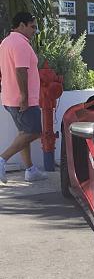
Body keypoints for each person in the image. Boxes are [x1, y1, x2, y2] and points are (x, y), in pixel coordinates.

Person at [0, 12, 48, 184]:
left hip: (9, 97)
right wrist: (24, 96)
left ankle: (30, 170)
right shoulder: (20, 43)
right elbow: (21, 70)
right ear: (21, 25)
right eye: (32, 26)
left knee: (24, 134)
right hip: (23, 99)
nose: (35, 30)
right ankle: (2, 159)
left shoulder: (6, 42)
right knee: (34, 131)